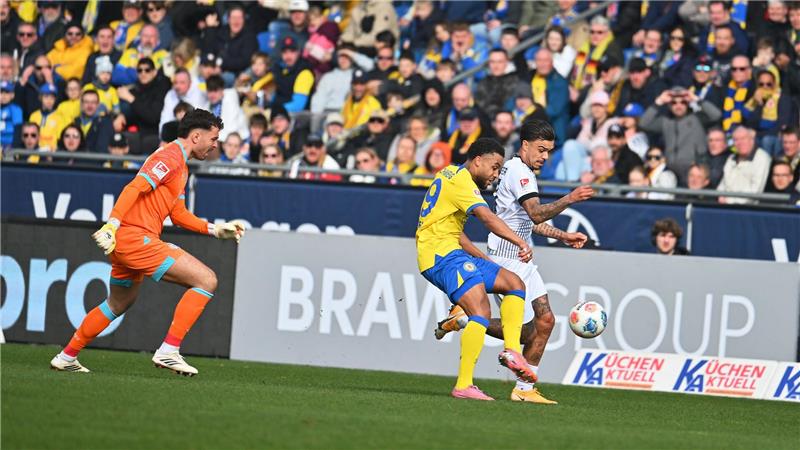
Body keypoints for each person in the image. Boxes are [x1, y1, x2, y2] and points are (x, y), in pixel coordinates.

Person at [49, 109, 245, 375]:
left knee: (119, 303)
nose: (215, 145)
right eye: (213, 139)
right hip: (135, 238)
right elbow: (135, 186)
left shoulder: (181, 166)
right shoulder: (169, 156)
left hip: (127, 243)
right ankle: (169, 351)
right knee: (207, 280)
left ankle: (67, 356)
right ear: (196, 135)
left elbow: (178, 215)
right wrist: (112, 224)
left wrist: (214, 229)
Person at [434, 120, 594, 404]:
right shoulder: (520, 173)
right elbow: (534, 213)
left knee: (544, 322)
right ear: (525, 145)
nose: (545, 156)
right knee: (522, 332)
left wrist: (563, 235)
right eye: (541, 149)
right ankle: (463, 320)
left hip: (521, 256)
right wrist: (570, 198)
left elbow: (523, 221)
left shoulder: (517, 170)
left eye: (549, 151)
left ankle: (524, 389)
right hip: (507, 258)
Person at [415, 137, 537, 401]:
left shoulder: (451, 175)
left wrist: (483, 259)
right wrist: (519, 241)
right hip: (440, 256)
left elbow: (454, 232)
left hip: (450, 250)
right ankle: (464, 384)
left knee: (513, 282)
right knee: (481, 309)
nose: (495, 175)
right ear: (477, 160)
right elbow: (486, 217)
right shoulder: (462, 181)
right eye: (494, 167)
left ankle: (513, 351)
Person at [717, 126, 772, 204]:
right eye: (736, 140)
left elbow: (756, 191)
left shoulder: (762, 158)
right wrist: (720, 196)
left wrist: (729, 201)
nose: (740, 143)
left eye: (743, 138)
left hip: (748, 209)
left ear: (751, 140)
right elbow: (723, 183)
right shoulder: (731, 158)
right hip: (725, 205)